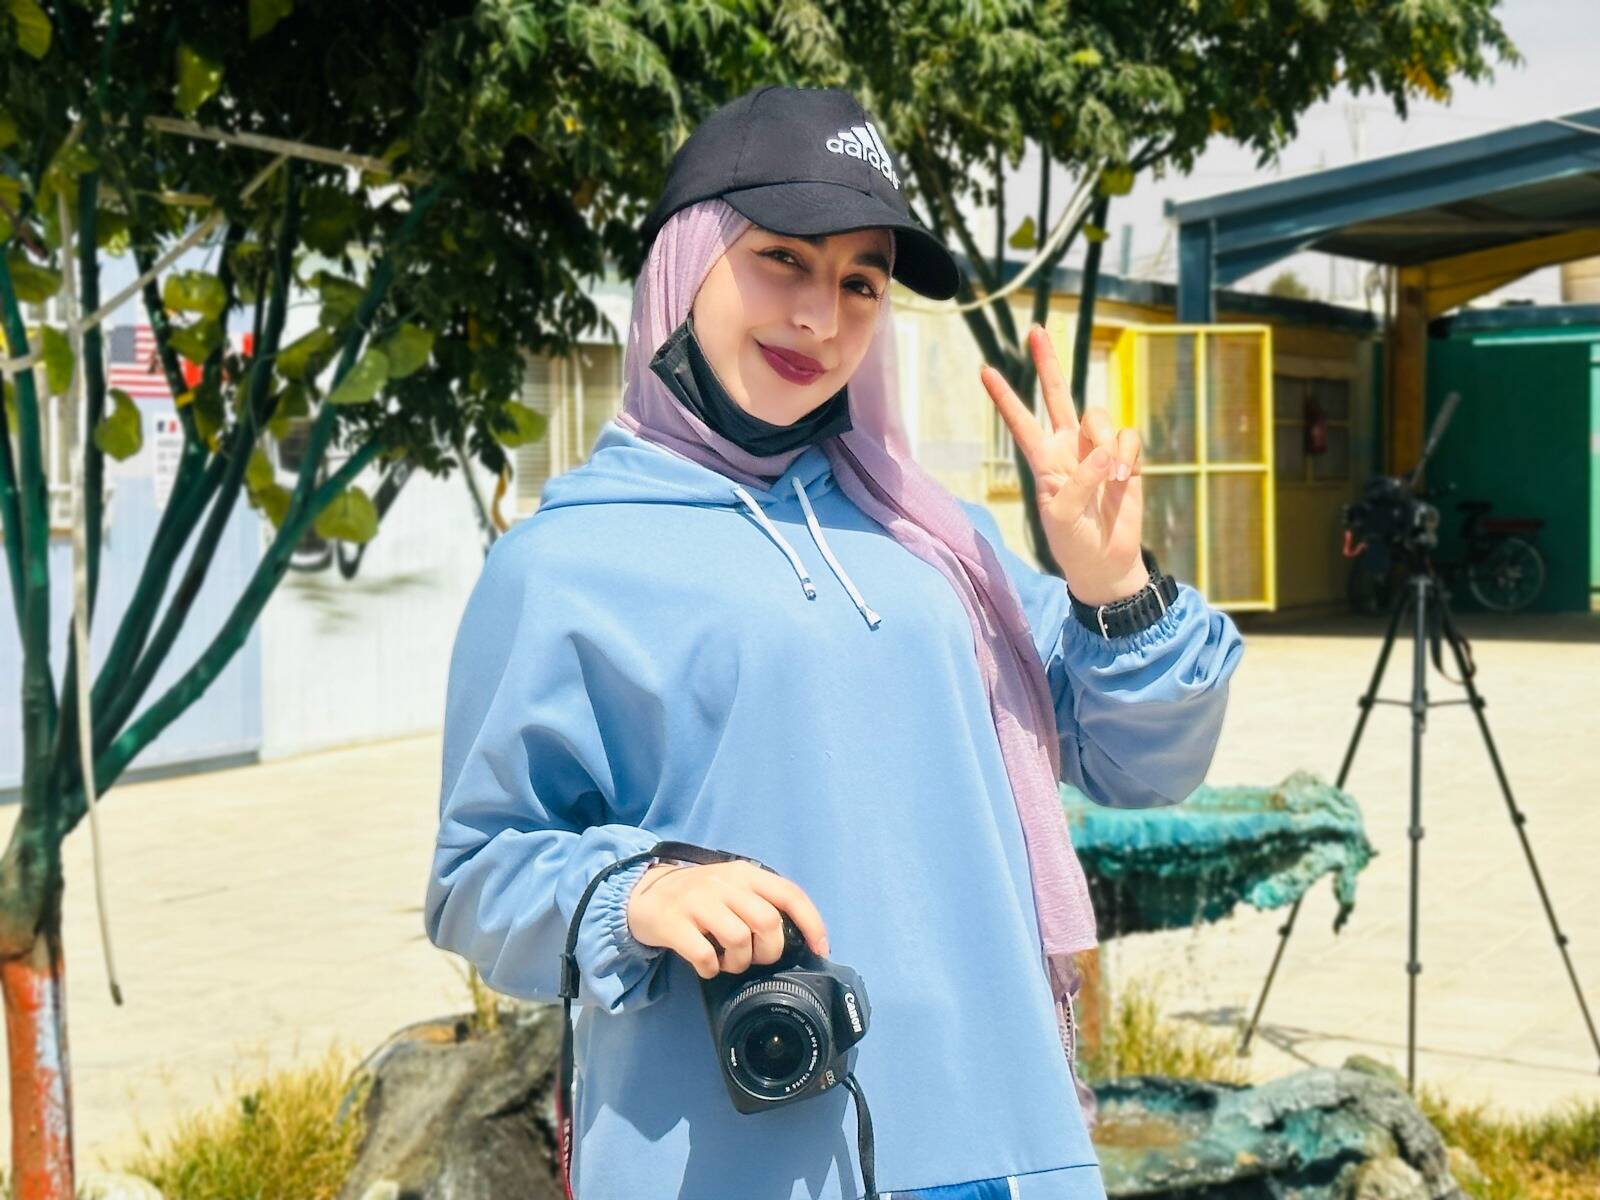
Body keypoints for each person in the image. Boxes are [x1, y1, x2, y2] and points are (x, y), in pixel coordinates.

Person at [425, 85, 1245, 1200]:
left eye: (860, 279)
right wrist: (633, 894)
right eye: (781, 261)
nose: (822, 316)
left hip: (999, 1141)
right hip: (731, 1154)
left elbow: (1146, 763)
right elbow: (477, 873)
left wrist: (1112, 591)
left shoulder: (932, 543)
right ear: (686, 263)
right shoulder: (562, 564)